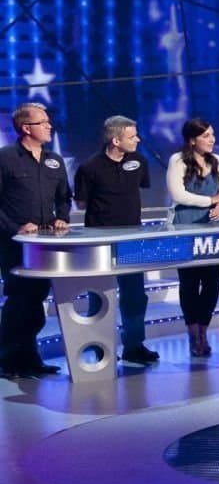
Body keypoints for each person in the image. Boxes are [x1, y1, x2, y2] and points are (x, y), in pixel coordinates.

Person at [74, 115, 158, 366]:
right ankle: (99, 348)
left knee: (135, 295)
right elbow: (81, 202)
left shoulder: (139, 162)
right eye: (132, 136)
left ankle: (134, 346)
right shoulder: (89, 167)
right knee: (99, 296)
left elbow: (140, 188)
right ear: (116, 140)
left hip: (132, 238)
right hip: (99, 241)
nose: (138, 140)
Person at [0, 103, 71, 378]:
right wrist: (15, 228)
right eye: (43, 122)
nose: (49, 126)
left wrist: (61, 218)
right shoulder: (6, 158)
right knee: (19, 300)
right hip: (14, 244)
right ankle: (8, 361)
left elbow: (64, 197)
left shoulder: (55, 160)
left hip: (45, 244)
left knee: (36, 300)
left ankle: (30, 359)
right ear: (26, 128)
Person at [167, 117, 219, 358]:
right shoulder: (178, 160)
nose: (212, 139)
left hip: (214, 230)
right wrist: (211, 200)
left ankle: (204, 331)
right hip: (186, 227)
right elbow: (178, 194)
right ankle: (193, 334)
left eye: (212, 134)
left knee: (213, 283)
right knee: (190, 283)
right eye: (206, 136)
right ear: (192, 140)